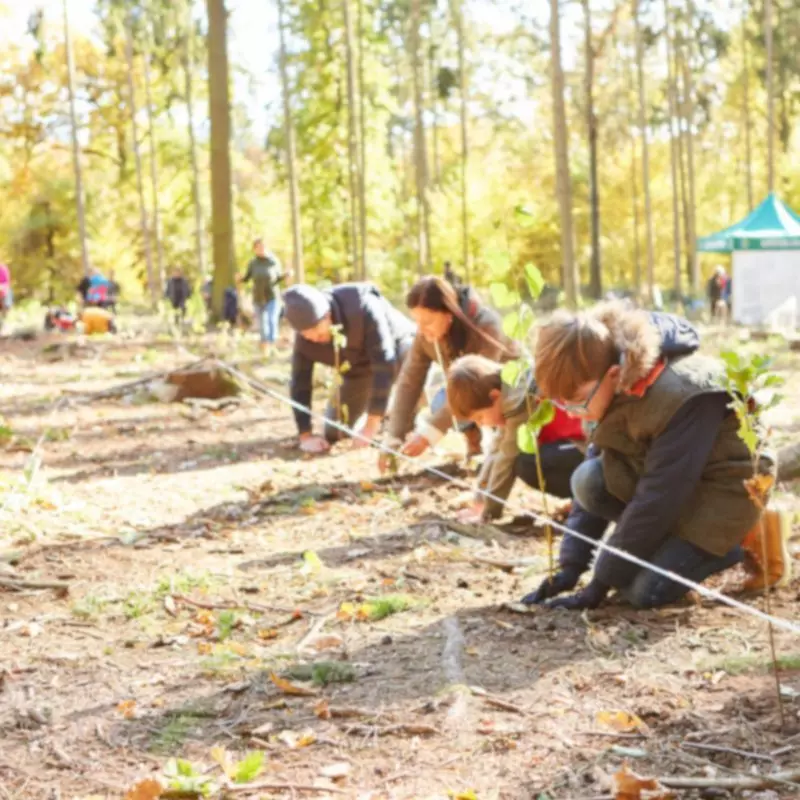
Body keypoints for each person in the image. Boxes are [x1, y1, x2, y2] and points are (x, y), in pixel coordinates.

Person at [526, 301, 786, 611]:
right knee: (588, 481)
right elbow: (603, 468)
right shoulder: (609, 379)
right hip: (674, 480)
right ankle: (666, 549)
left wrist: (598, 584)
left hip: (727, 489)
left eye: (577, 401)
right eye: (562, 403)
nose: (571, 410)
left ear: (613, 374)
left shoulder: (682, 393)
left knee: (643, 593)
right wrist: (569, 568)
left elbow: (658, 498)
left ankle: (742, 540)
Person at [382, 276, 517, 469]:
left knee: (462, 399)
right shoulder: (425, 336)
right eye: (417, 321)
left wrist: (428, 434)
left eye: (427, 321)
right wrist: (393, 435)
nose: (420, 329)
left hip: (505, 393)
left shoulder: (486, 325)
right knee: (441, 402)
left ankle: (508, 452)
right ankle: (475, 447)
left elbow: (476, 387)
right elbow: (409, 381)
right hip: (474, 394)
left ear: (449, 313)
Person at [446, 354, 587, 522]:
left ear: (494, 396)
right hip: (569, 446)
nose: (481, 425)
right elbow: (495, 451)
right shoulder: (509, 396)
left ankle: (586, 500)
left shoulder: (519, 402)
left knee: (526, 462)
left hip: (588, 447)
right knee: (527, 460)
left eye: (480, 418)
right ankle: (581, 500)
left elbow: (506, 459)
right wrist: (479, 499)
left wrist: (489, 511)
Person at [284, 283, 416, 453]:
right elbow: (300, 383)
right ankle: (384, 406)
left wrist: (371, 426)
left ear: (327, 315)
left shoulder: (361, 304)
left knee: (410, 352)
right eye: (305, 334)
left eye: (316, 329)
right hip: (358, 371)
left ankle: (410, 414)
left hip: (397, 352)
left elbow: (384, 361)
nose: (313, 337)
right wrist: (305, 436)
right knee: (336, 431)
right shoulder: (305, 340)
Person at [243, 239, 286, 352]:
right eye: (257, 247)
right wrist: (240, 279)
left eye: (262, 247)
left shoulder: (273, 261)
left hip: (272, 296)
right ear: (254, 250)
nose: (260, 249)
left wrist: (286, 275)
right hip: (258, 297)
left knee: (272, 320)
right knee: (262, 324)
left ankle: (273, 345)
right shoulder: (253, 263)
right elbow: (247, 278)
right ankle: (265, 346)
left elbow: (279, 277)